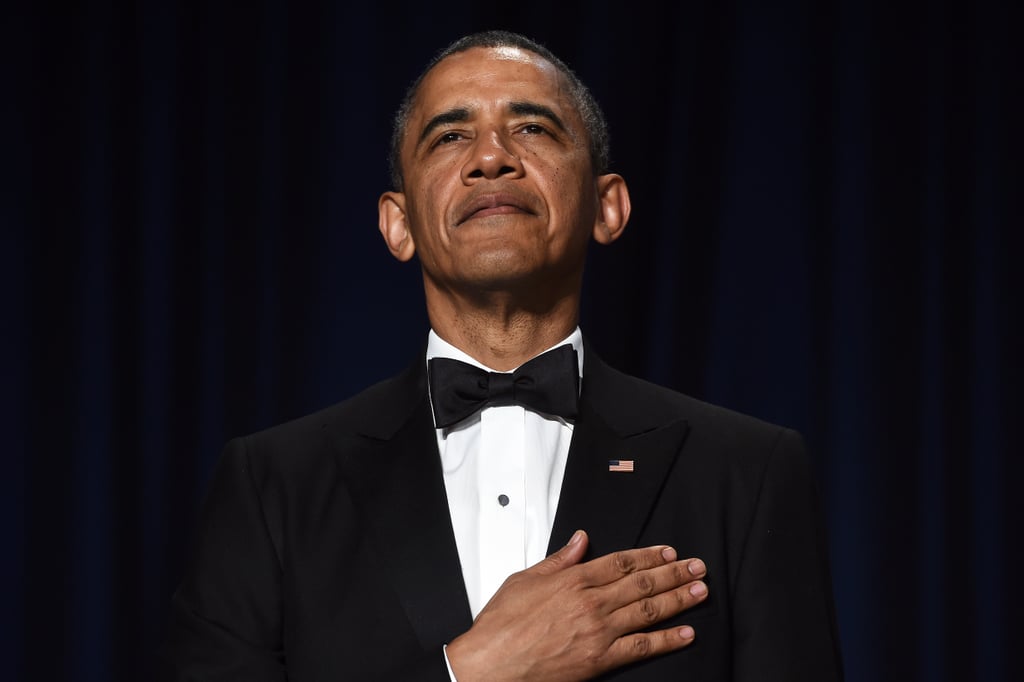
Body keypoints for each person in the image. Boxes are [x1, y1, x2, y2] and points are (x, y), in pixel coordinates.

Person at [159, 31, 843, 681]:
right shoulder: (272, 485)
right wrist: (473, 670)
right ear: (398, 225)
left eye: (533, 129)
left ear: (608, 207)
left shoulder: (747, 474)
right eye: (451, 136)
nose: (492, 157)